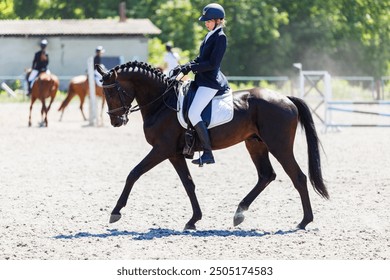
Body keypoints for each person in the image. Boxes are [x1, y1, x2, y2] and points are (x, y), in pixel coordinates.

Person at [173, 3, 229, 166]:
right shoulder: (210, 34)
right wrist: (185, 65)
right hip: (202, 79)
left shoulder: (220, 37)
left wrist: (191, 68)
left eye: (209, 20)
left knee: (193, 113)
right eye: (205, 21)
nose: (206, 23)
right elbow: (200, 58)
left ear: (218, 20)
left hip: (210, 81)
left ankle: (207, 152)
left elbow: (212, 63)